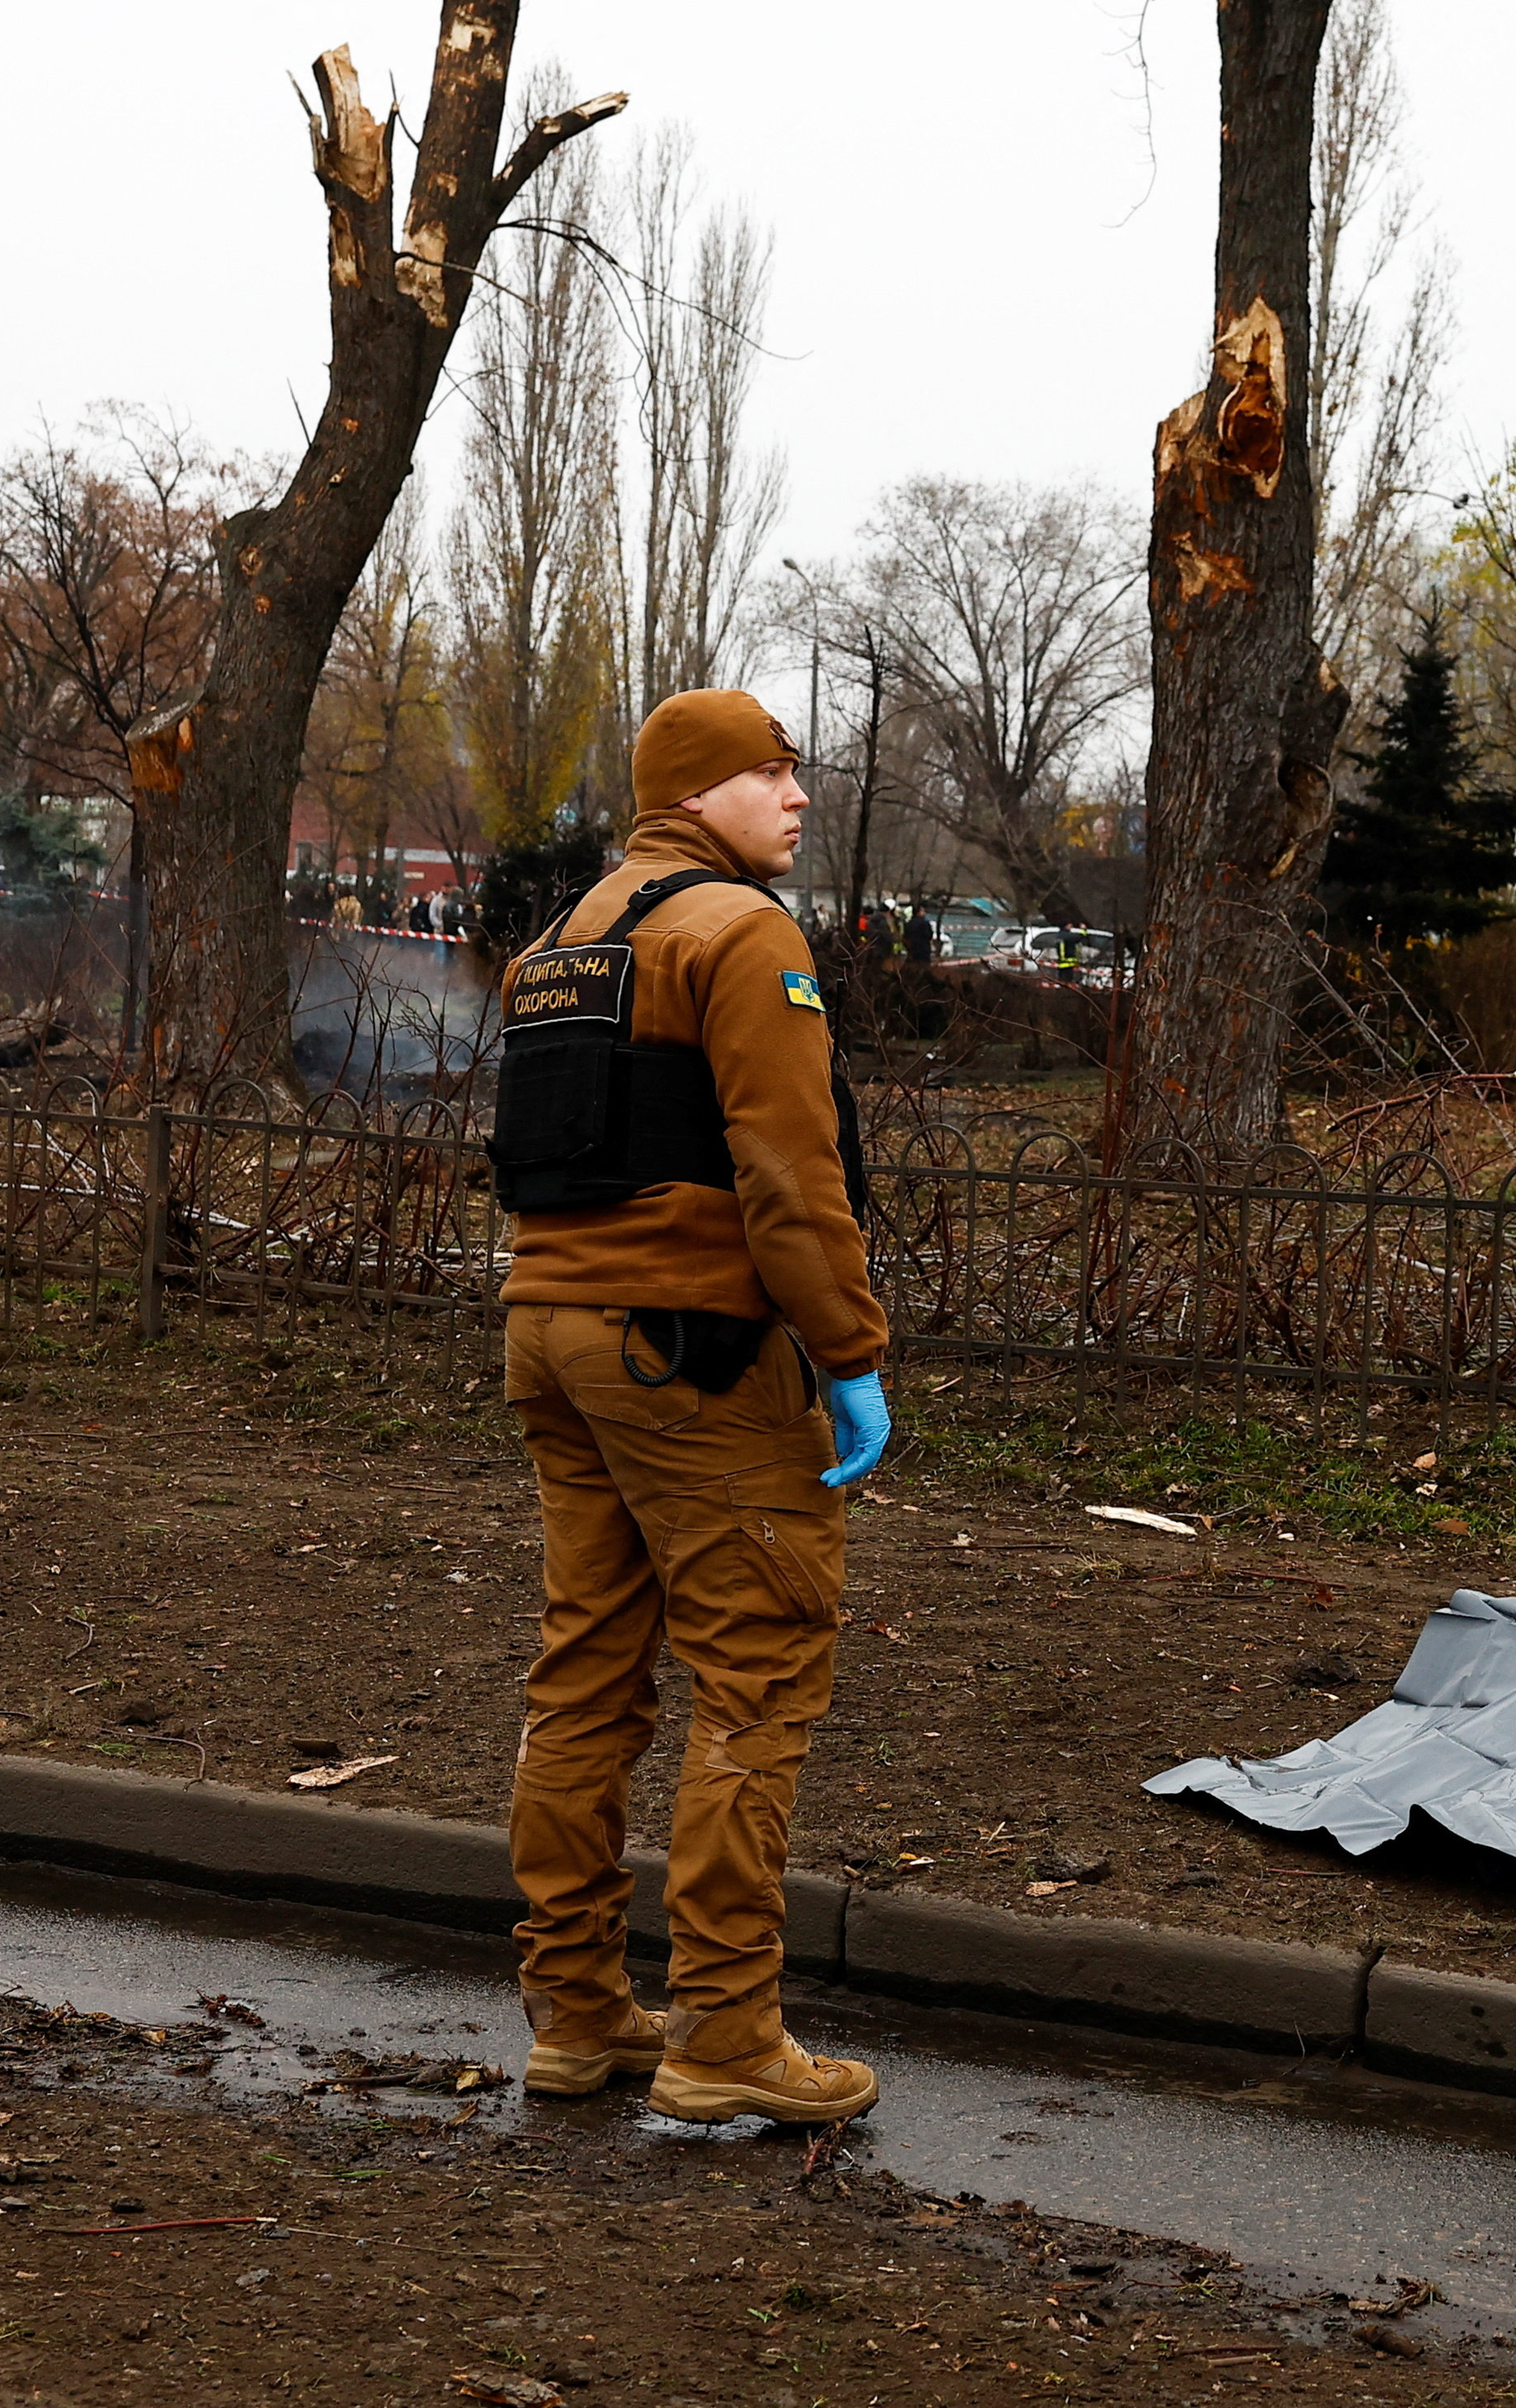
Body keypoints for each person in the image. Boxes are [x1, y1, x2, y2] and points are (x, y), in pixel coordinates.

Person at [493, 689, 891, 2126]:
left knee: (588, 1671)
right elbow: (788, 1176)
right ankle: (724, 2034)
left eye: (794, 772)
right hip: (691, 1353)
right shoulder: (740, 934)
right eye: (766, 773)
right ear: (696, 793)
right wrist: (848, 1353)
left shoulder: (558, 949)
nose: (793, 794)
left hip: (553, 1335)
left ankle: (578, 2013)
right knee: (760, 1669)